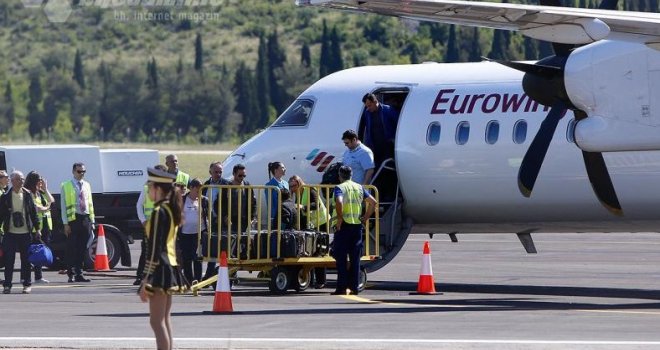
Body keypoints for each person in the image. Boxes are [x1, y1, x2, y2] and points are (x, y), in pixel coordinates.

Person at [138, 166, 188, 350]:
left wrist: (146, 278)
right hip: (170, 266)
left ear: (158, 189)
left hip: (160, 269)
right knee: (164, 320)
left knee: (156, 322)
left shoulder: (159, 211)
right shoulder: (170, 209)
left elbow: (154, 249)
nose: (148, 189)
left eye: (150, 186)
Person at [332, 165, 376, 296]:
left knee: (341, 258)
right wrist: (366, 217)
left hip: (343, 226)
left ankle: (341, 287)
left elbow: (339, 202)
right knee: (355, 259)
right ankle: (354, 287)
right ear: (351, 175)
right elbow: (373, 202)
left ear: (340, 176)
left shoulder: (340, 188)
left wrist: (339, 218)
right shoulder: (359, 187)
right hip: (357, 226)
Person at [0, 171, 41, 294]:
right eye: (19, 179)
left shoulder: (27, 195)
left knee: (26, 260)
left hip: (25, 233)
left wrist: (37, 229)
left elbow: (34, 214)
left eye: (22, 179)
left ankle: (27, 284)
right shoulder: (6, 196)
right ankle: (7, 285)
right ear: (13, 181)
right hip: (10, 233)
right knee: (9, 260)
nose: (22, 181)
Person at [288, 175, 330, 288]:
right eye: (291, 186)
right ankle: (311, 280)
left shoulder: (309, 189)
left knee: (319, 251)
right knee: (310, 252)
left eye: (294, 185)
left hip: (321, 222)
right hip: (312, 225)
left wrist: (303, 207)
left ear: (299, 183)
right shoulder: (298, 194)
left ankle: (321, 281)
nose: (293, 188)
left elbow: (316, 204)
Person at [60, 162, 94, 283]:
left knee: (82, 248)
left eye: (84, 171)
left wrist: (92, 221)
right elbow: (63, 206)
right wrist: (65, 223)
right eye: (79, 171)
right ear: (74, 172)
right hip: (73, 220)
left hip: (85, 219)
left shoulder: (87, 185)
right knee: (71, 248)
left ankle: (79, 273)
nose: (82, 174)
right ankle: (71, 273)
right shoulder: (66, 185)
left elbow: (90, 203)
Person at [134, 164, 168, 286]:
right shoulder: (147, 188)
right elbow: (139, 205)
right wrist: (143, 220)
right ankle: (141, 276)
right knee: (146, 251)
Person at [24, 171, 54, 284]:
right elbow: (35, 208)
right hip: (34, 228)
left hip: (46, 227)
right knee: (32, 252)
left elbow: (52, 201)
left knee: (40, 253)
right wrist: (45, 208)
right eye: (39, 180)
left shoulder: (40, 193)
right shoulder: (29, 193)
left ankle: (38, 276)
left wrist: (45, 189)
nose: (41, 182)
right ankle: (26, 276)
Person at [179, 178, 209, 284]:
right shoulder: (182, 199)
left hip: (199, 233)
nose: (198, 193)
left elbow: (208, 216)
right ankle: (188, 280)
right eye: (197, 191)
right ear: (191, 188)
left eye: (201, 191)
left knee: (197, 257)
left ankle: (198, 280)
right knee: (187, 258)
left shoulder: (204, 200)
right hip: (185, 233)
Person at [361, 92, 399, 167]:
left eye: (369, 105)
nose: (368, 108)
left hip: (387, 145)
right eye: (366, 106)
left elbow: (399, 122)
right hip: (374, 146)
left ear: (375, 102)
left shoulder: (388, 110)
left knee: (388, 166)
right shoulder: (367, 113)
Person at [265, 162, 288, 226]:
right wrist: (272, 217)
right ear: (276, 170)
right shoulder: (269, 185)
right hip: (277, 216)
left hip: (287, 214)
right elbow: (270, 203)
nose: (285, 169)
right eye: (282, 168)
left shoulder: (286, 183)